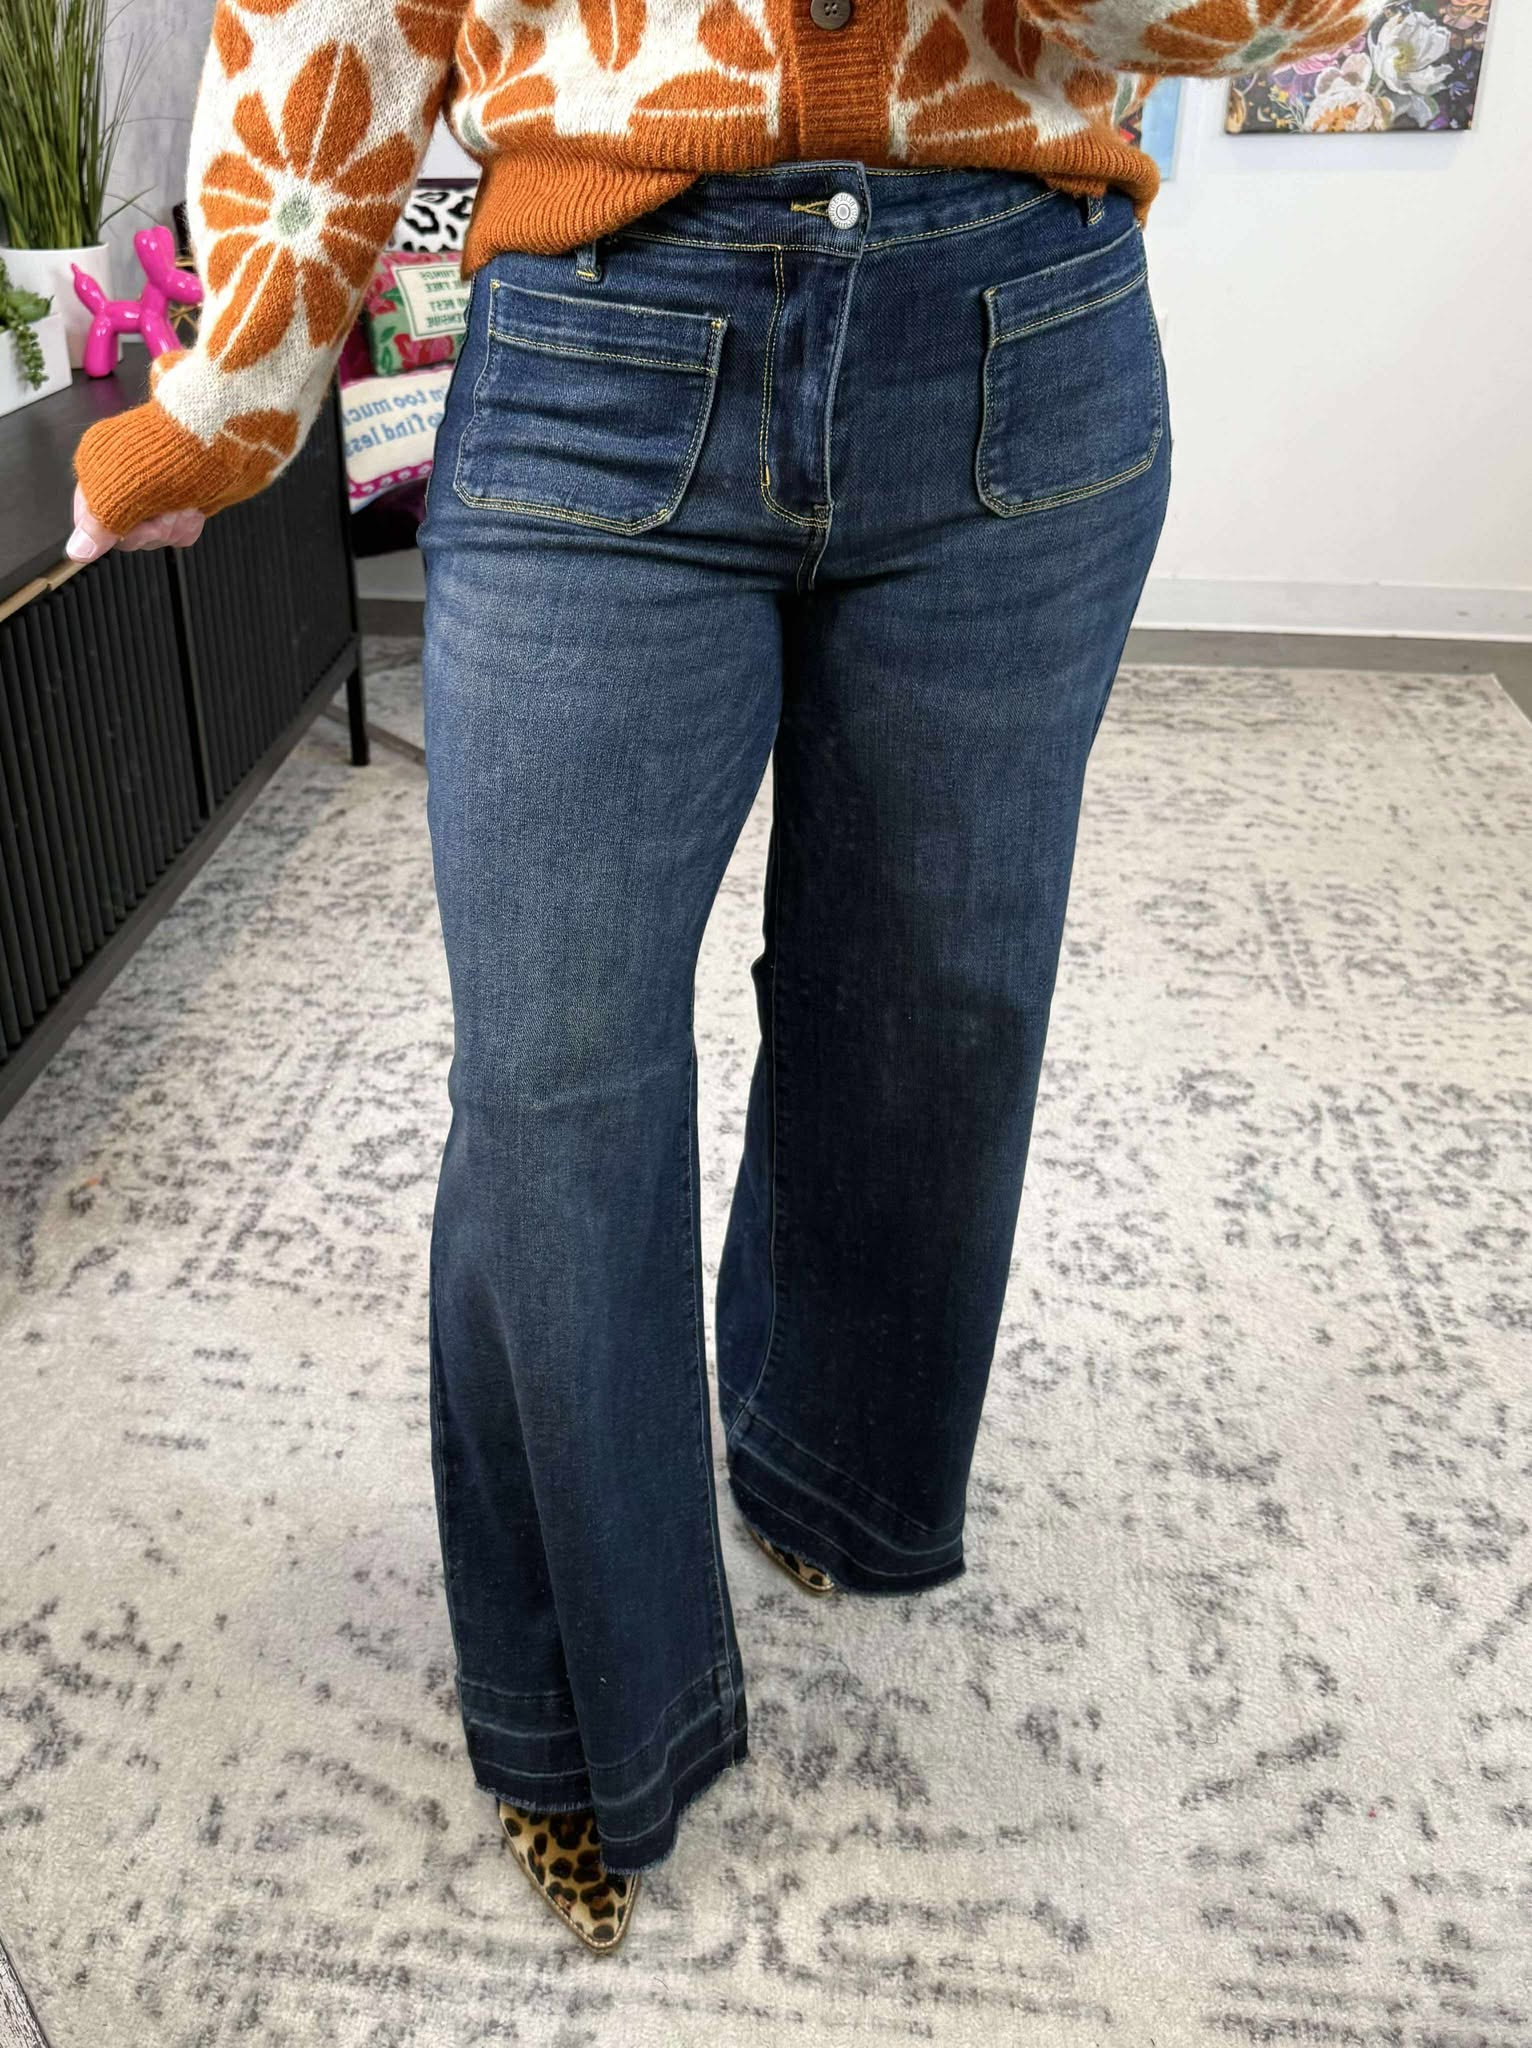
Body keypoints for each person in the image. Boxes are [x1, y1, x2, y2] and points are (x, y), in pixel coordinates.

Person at [68, 0, 1385, 1955]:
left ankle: (828, 1459)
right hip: (601, 342)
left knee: (933, 1009)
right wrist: (239, 380)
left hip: (1018, 337)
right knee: (554, 1073)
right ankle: (574, 1709)